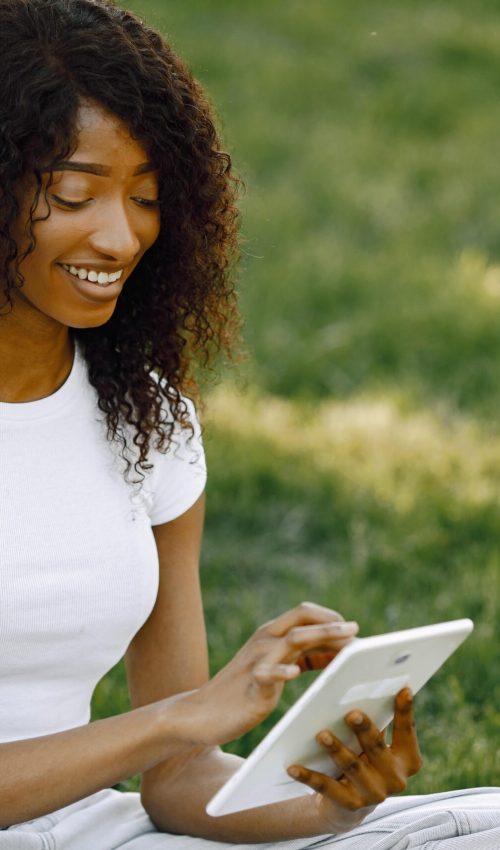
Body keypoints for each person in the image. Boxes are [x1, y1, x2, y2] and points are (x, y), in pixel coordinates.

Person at [1, 2, 499, 848]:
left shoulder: (145, 419)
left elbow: (181, 781)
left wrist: (326, 805)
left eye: (149, 197)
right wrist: (180, 719)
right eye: (76, 193)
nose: (121, 236)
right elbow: (172, 733)